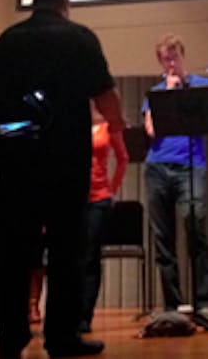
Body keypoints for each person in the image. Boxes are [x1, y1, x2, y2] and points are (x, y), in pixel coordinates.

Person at [0, 0, 126, 358]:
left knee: (15, 251)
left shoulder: (7, 40)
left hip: (18, 161)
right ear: (65, 3)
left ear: (33, 2)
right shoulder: (80, 38)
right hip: (66, 160)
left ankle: (10, 336)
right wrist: (116, 125)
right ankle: (62, 337)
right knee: (66, 250)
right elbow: (105, 95)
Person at [141, 33, 208, 325]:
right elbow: (151, 129)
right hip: (158, 167)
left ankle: (207, 302)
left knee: (196, 228)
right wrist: (169, 94)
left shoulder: (203, 86)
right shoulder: (156, 92)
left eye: (174, 57)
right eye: (165, 59)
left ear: (183, 56)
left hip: (191, 165)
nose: (171, 63)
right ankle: (172, 305)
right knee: (163, 238)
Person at [80, 100, 128, 334]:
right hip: (72, 199)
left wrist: (112, 189)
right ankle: (68, 314)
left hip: (99, 197)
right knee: (71, 256)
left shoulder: (108, 127)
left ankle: (84, 315)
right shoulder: (73, 125)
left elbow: (123, 158)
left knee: (90, 255)